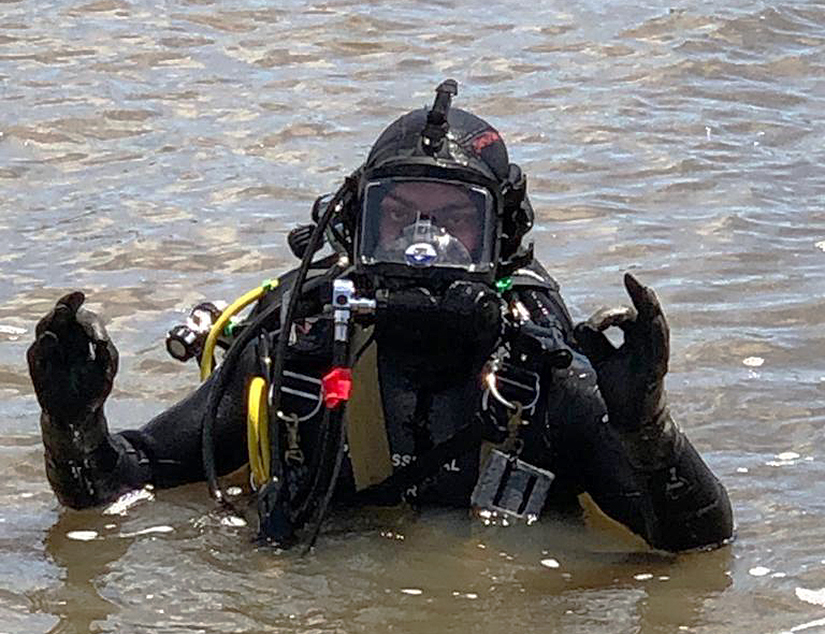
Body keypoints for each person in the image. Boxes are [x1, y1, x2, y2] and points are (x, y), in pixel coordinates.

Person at [26, 80, 733, 552]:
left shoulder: (545, 379)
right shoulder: (292, 352)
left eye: (455, 223)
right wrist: (72, 423)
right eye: (398, 220)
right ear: (352, 225)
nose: (424, 247)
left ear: (503, 238)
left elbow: (695, 546)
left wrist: (646, 427)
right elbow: (116, 486)